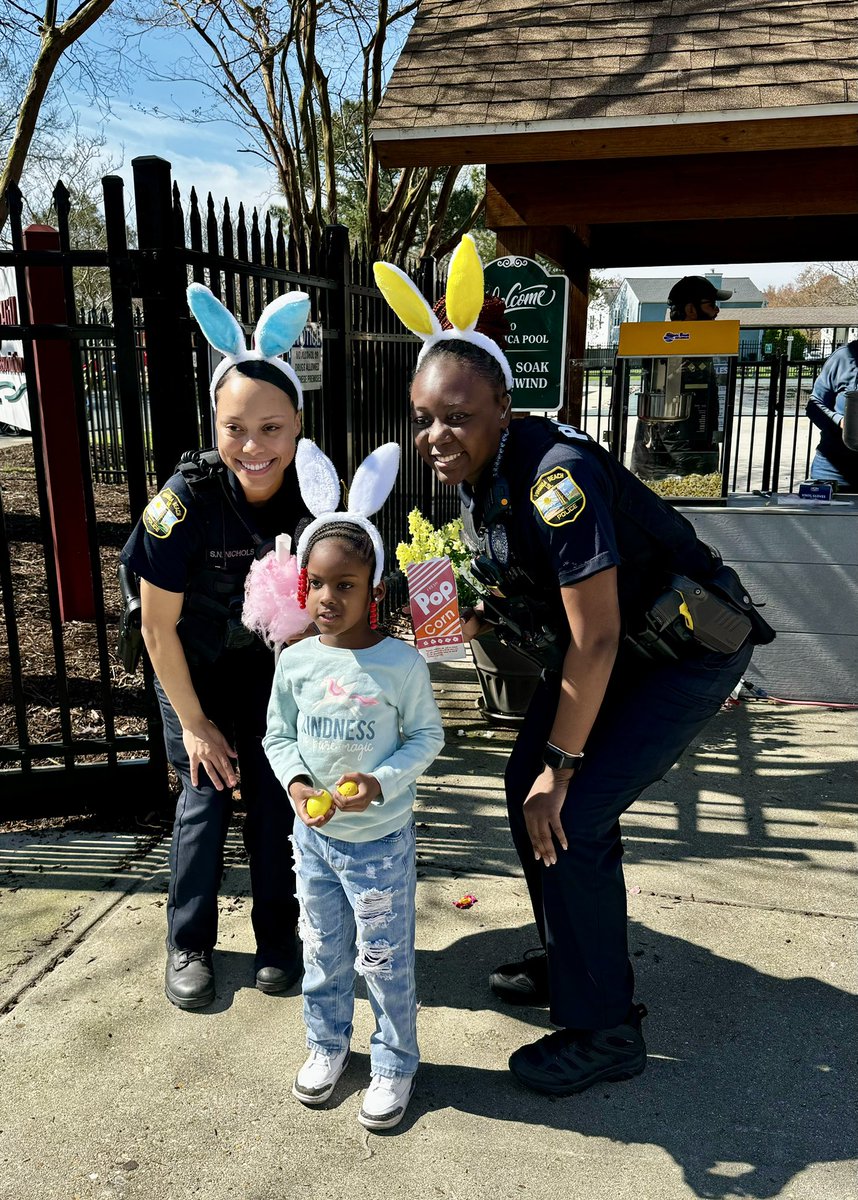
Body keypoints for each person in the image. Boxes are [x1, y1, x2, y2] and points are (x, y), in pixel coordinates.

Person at [374, 236, 772, 1097]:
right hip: (629, 646)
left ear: (502, 409)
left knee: (573, 810)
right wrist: (468, 613)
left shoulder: (559, 478)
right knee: (528, 786)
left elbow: (592, 638)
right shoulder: (481, 477)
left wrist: (564, 765)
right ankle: (574, 960)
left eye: (458, 416)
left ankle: (604, 1030)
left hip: (685, 650)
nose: (437, 435)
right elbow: (536, 593)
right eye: (425, 417)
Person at [120, 283, 314, 1010]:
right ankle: (188, 941)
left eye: (270, 428)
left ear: (296, 424)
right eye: (235, 428)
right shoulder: (185, 501)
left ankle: (276, 938)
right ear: (215, 425)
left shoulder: (315, 490)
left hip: (272, 675)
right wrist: (196, 725)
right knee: (203, 795)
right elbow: (155, 626)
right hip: (192, 669)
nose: (253, 446)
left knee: (274, 799)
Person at [263, 437, 444, 1130]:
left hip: (378, 845)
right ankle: (326, 1044)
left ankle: (396, 1060)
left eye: (345, 585)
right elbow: (277, 735)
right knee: (321, 949)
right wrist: (297, 781)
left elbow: (428, 737)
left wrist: (383, 782)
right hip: (313, 842)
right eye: (317, 583)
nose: (328, 598)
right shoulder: (296, 661)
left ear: (375, 590)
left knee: (384, 958)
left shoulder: (401, 665)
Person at [630, 274, 732, 480]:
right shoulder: (671, 352)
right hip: (669, 470)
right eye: (711, 304)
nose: (717, 310)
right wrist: (697, 470)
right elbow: (666, 423)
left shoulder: (696, 349)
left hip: (685, 464)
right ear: (691, 310)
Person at [805, 338, 858, 491]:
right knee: (827, 515)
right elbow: (814, 405)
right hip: (833, 471)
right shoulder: (843, 358)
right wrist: (841, 422)